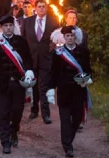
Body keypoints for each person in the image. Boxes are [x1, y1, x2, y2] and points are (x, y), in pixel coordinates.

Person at [0, 15, 34, 154]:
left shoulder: (21, 41)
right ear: (1, 28)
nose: (8, 28)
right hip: (2, 84)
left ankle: (14, 130)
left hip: (18, 83)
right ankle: (5, 142)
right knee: (3, 113)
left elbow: (28, 59)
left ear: (14, 27)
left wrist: (29, 71)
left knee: (17, 111)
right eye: (5, 26)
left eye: (10, 26)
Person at [46, 25, 92, 157]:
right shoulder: (58, 53)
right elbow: (53, 73)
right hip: (64, 92)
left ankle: (68, 140)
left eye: (72, 36)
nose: (70, 38)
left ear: (75, 37)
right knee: (65, 120)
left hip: (79, 91)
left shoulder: (84, 52)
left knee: (77, 119)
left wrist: (88, 79)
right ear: (64, 37)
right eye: (67, 36)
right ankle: (67, 147)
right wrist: (50, 89)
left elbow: (88, 69)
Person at [21, 0, 57, 124]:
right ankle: (34, 110)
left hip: (46, 59)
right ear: (35, 8)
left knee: (44, 86)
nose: (41, 8)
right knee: (33, 86)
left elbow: (56, 40)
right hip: (31, 59)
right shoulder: (27, 21)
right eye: (39, 6)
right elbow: (23, 40)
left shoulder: (53, 21)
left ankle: (46, 114)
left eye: (43, 6)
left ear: (46, 8)